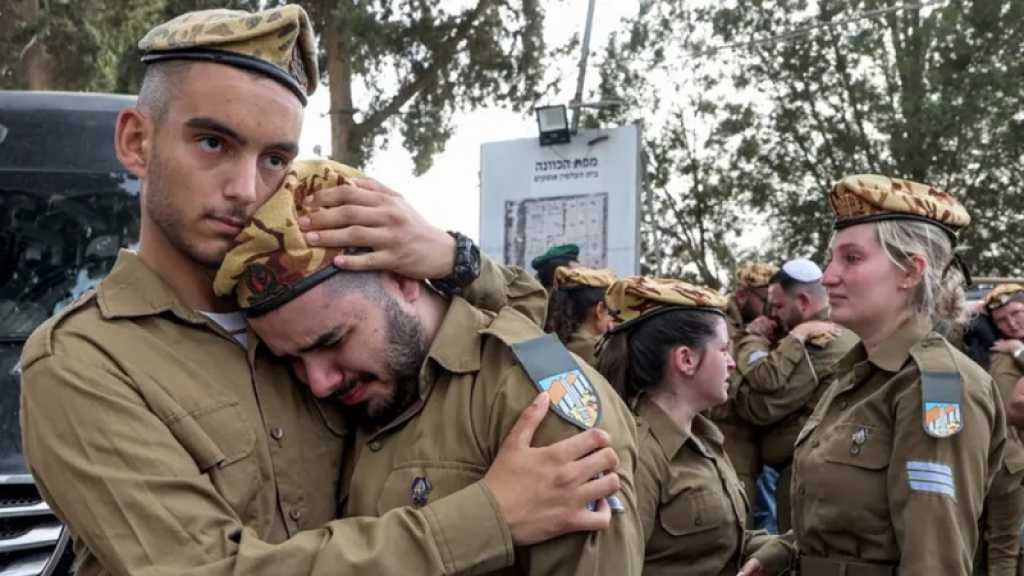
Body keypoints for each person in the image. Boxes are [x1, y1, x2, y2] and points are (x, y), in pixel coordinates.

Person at [19, 7, 626, 575]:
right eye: (213, 143)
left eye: (275, 158)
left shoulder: (301, 319)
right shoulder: (84, 362)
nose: (245, 187)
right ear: (137, 142)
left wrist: (450, 256)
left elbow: (508, 338)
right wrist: (490, 516)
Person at [214, 159, 644, 575]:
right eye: (293, 362)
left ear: (402, 278)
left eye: (334, 341)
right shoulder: (346, 395)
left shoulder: (536, 396)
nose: (320, 383)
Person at [742, 174, 1008, 575]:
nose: (828, 276)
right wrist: (782, 551)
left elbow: (934, 559)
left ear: (910, 272)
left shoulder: (934, 386)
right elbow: (855, 516)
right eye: (832, 258)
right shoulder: (856, 374)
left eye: (851, 258)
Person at [595, 276, 794, 575]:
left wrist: (780, 549)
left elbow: (717, 542)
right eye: (723, 350)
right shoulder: (637, 451)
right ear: (686, 359)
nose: (732, 363)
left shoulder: (703, 437)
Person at [732, 258, 859, 533]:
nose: (772, 315)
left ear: (802, 302)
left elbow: (759, 408)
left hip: (807, 476)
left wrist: (751, 341)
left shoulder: (821, 342)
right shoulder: (838, 330)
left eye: (778, 306)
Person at [708, 261, 778, 527]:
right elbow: (725, 378)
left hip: (754, 451)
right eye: (766, 301)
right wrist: (750, 337)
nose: (771, 310)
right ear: (742, 296)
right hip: (728, 444)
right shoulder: (720, 323)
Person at [976, 284, 1024, 576]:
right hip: (1008, 459)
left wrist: (1019, 349)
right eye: (1002, 321)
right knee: (1003, 542)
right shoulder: (998, 355)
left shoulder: (1009, 352)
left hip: (1000, 458)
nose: (1012, 324)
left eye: (1017, 313)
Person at [546, 265, 617, 366]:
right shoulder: (598, 349)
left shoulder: (555, 339)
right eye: (612, 312)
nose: (614, 319)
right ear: (600, 310)